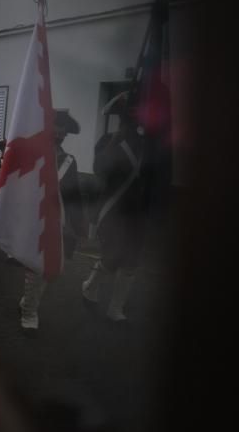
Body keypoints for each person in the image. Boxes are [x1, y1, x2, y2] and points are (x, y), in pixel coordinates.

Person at [19, 110, 87, 331]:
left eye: (63, 133)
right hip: (33, 217)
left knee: (49, 270)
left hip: (57, 222)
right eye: (57, 129)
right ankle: (29, 313)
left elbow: (74, 195)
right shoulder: (35, 155)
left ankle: (27, 302)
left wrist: (79, 226)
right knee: (34, 267)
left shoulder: (69, 161)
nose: (60, 134)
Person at [81, 93, 145, 322]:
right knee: (112, 257)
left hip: (136, 210)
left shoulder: (146, 143)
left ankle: (115, 308)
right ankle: (90, 287)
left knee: (133, 260)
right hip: (112, 208)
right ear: (121, 117)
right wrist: (113, 143)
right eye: (130, 115)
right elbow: (99, 170)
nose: (135, 119)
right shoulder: (107, 140)